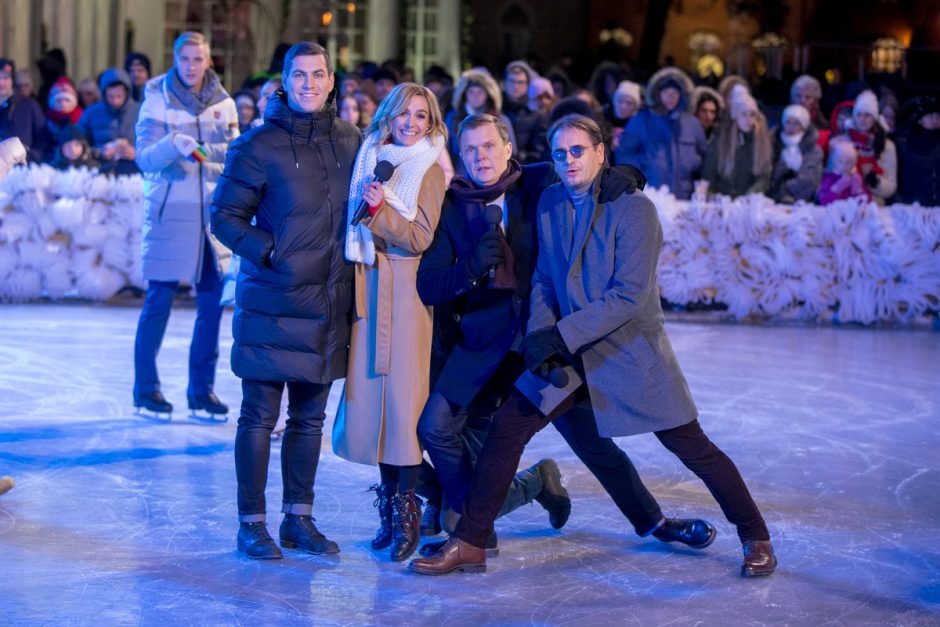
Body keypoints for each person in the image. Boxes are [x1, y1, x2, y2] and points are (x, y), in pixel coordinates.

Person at [409, 114, 776, 579]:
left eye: (578, 151)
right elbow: (542, 279)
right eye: (560, 153)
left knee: (690, 445)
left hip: (628, 353)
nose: (567, 161)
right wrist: (544, 335)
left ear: (601, 152)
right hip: (565, 354)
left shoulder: (635, 209)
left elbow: (628, 296)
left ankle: (755, 535)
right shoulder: (550, 202)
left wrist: (557, 335)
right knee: (508, 429)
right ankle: (470, 542)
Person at [211, 41, 361, 560]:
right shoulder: (257, 145)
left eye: (318, 75)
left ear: (330, 81)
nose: (309, 84)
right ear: (285, 79)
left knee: (309, 421)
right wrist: (271, 252)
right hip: (273, 303)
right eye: (299, 75)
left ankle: (299, 519)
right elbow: (224, 218)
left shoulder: (351, 141)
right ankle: (251, 523)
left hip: (326, 305)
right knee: (258, 417)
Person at [331, 82, 448, 563]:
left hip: (406, 293)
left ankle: (409, 512)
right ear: (390, 115)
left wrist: (379, 213)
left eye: (421, 116)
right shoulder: (370, 156)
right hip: (369, 285)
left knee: (402, 409)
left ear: (431, 123)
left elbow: (420, 236)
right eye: (405, 114)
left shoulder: (429, 170)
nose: (412, 123)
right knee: (377, 407)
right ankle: (389, 510)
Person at [133, 31, 238, 417]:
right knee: (157, 302)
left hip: (212, 217)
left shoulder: (223, 104)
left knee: (210, 306)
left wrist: (198, 151)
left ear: (208, 61)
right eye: (185, 59)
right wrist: (169, 146)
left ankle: (201, 392)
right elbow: (144, 158)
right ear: (175, 60)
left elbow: (235, 152)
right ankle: (146, 390)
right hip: (168, 215)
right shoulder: (157, 98)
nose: (192, 67)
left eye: (198, 59)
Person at [615, 67, 706, 199]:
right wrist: (645, 160)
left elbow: (704, 157)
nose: (671, 96)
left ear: (682, 95)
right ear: (657, 93)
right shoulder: (640, 121)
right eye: (666, 91)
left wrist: (693, 161)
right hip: (650, 197)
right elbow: (623, 157)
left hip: (684, 199)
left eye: (675, 92)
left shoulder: (693, 124)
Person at [702, 91, 773, 198]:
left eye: (752, 114)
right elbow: (709, 174)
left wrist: (749, 197)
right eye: (744, 114)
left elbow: (764, 178)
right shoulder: (720, 141)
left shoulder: (762, 143)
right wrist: (713, 196)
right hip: (722, 203)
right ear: (735, 116)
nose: (748, 120)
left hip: (748, 204)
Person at [446, 69, 517, 173]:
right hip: (461, 179)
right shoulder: (453, 118)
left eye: (480, 92)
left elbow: (512, 152)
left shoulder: (500, 119)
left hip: (494, 177)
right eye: (471, 92)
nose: (476, 96)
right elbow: (446, 151)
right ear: (464, 94)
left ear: (488, 94)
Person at [77, 68, 140, 176]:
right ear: (104, 94)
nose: (115, 101)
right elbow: (79, 145)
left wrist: (137, 153)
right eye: (111, 96)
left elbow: (155, 145)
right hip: (100, 173)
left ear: (127, 93)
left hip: (136, 175)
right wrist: (99, 152)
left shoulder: (141, 112)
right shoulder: (91, 113)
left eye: (119, 96)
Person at [843, 90, 897, 205]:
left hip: (874, 205)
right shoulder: (844, 142)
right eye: (859, 114)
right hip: (845, 201)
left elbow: (891, 187)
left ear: (875, 118)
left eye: (867, 115)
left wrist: (873, 180)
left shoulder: (887, 146)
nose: (862, 119)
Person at [769, 104, 824, 203]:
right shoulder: (773, 144)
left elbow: (810, 180)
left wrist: (784, 189)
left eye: (796, 123)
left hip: (803, 202)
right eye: (788, 122)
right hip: (772, 199)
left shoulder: (813, 150)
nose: (791, 127)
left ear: (804, 126)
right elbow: (768, 174)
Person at [896, 95, 940, 206]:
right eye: (930, 116)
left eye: (938, 116)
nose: (935, 120)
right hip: (913, 203)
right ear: (920, 120)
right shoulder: (905, 141)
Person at [0, 58, 46, 162]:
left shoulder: (28, 105)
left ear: (13, 80)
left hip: (20, 168)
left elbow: (44, 138)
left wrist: (32, 157)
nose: (1, 83)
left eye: (5, 78)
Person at [502, 61, 547, 164]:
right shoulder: (495, 110)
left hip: (523, 168)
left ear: (528, 85)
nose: (516, 86)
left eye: (520, 82)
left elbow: (537, 150)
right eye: (512, 81)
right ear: (504, 83)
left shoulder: (536, 114)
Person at [816, 136, 869, 205]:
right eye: (840, 161)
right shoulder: (829, 177)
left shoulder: (855, 177)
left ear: (853, 163)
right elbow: (823, 200)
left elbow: (867, 202)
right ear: (834, 161)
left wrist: (858, 191)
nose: (844, 165)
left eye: (849, 162)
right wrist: (837, 188)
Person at [606, 80, 641, 151]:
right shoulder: (603, 120)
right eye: (620, 101)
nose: (623, 107)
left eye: (629, 103)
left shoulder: (640, 126)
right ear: (615, 102)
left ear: (635, 107)